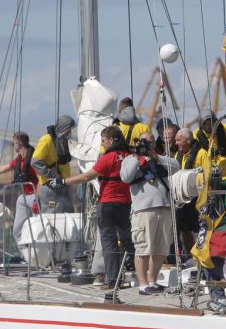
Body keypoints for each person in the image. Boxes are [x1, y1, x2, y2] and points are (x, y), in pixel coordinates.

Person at [57, 126, 133, 291]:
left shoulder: (109, 157)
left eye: (103, 140)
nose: (102, 144)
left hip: (107, 204)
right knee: (125, 241)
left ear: (112, 141)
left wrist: (64, 181)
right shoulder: (128, 156)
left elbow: (87, 176)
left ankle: (113, 280)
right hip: (126, 204)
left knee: (109, 242)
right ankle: (125, 275)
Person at [121, 131, 180, 295]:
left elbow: (176, 166)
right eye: (145, 142)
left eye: (151, 141)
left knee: (161, 247)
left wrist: (155, 156)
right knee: (143, 248)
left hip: (165, 207)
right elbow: (125, 177)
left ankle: (153, 281)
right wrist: (136, 156)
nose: (148, 145)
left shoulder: (160, 158)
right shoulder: (130, 159)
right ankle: (143, 284)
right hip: (143, 209)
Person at [0, 131, 37, 244]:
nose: (13, 145)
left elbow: (41, 178)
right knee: (17, 231)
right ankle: (26, 253)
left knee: (37, 228)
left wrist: (37, 199)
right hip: (24, 197)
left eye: (14, 143)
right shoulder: (19, 160)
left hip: (36, 196)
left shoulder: (33, 160)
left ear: (19, 143)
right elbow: (2, 169)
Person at [172, 127, 209, 255]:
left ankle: (201, 254)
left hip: (198, 198)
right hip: (182, 198)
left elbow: (206, 176)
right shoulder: (178, 155)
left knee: (200, 228)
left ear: (188, 140)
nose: (175, 143)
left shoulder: (202, 153)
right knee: (184, 228)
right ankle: (190, 255)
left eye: (178, 140)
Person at [32, 114, 76, 213]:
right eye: (69, 129)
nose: (70, 132)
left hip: (62, 185)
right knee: (52, 218)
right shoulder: (46, 139)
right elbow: (35, 161)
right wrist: (53, 176)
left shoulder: (63, 140)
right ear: (63, 128)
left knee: (68, 215)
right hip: (50, 186)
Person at [193, 109, 226, 180]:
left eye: (210, 123)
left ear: (215, 121)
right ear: (201, 124)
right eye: (205, 124)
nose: (208, 127)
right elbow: (192, 156)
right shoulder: (196, 135)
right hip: (207, 178)